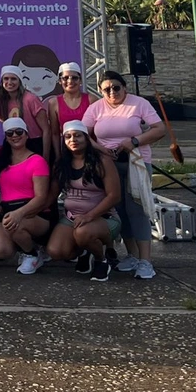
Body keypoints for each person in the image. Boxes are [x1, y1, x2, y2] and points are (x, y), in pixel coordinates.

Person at [82, 71, 165, 280]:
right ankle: (132, 255)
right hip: (109, 164)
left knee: (137, 209)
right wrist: (100, 149)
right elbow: (83, 133)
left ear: (124, 87)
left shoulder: (139, 104)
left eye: (116, 87)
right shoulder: (96, 108)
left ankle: (146, 261)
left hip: (136, 162)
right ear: (101, 91)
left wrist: (135, 141)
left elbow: (159, 129)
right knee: (120, 210)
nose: (112, 92)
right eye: (106, 89)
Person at [46, 122, 123, 282]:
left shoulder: (102, 161)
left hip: (104, 218)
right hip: (72, 218)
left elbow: (114, 196)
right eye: (68, 137)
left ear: (87, 138)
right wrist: (26, 212)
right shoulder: (61, 164)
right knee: (55, 251)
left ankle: (101, 260)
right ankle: (85, 251)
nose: (73, 140)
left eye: (78, 135)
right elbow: (51, 196)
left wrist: (89, 216)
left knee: (83, 232)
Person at [0, 117, 52, 275]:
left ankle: (32, 254)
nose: (15, 136)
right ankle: (24, 245)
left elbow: (41, 198)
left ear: (26, 134)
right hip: (8, 213)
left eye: (19, 132)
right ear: (5, 137)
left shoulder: (37, 161)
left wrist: (19, 214)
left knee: (14, 224)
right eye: (10, 133)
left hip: (35, 214)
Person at [0, 66, 49, 156]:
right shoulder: (3, 101)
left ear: (20, 81)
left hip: (34, 142)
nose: (9, 82)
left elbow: (46, 129)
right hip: (14, 142)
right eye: (6, 79)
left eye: (13, 79)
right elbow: (3, 118)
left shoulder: (30, 99)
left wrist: (46, 155)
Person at [46, 62, 91, 168]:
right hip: (67, 150)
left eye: (74, 78)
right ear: (60, 81)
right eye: (65, 78)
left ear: (80, 80)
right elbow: (55, 133)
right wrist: (58, 155)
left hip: (90, 151)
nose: (70, 81)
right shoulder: (53, 103)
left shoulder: (91, 100)